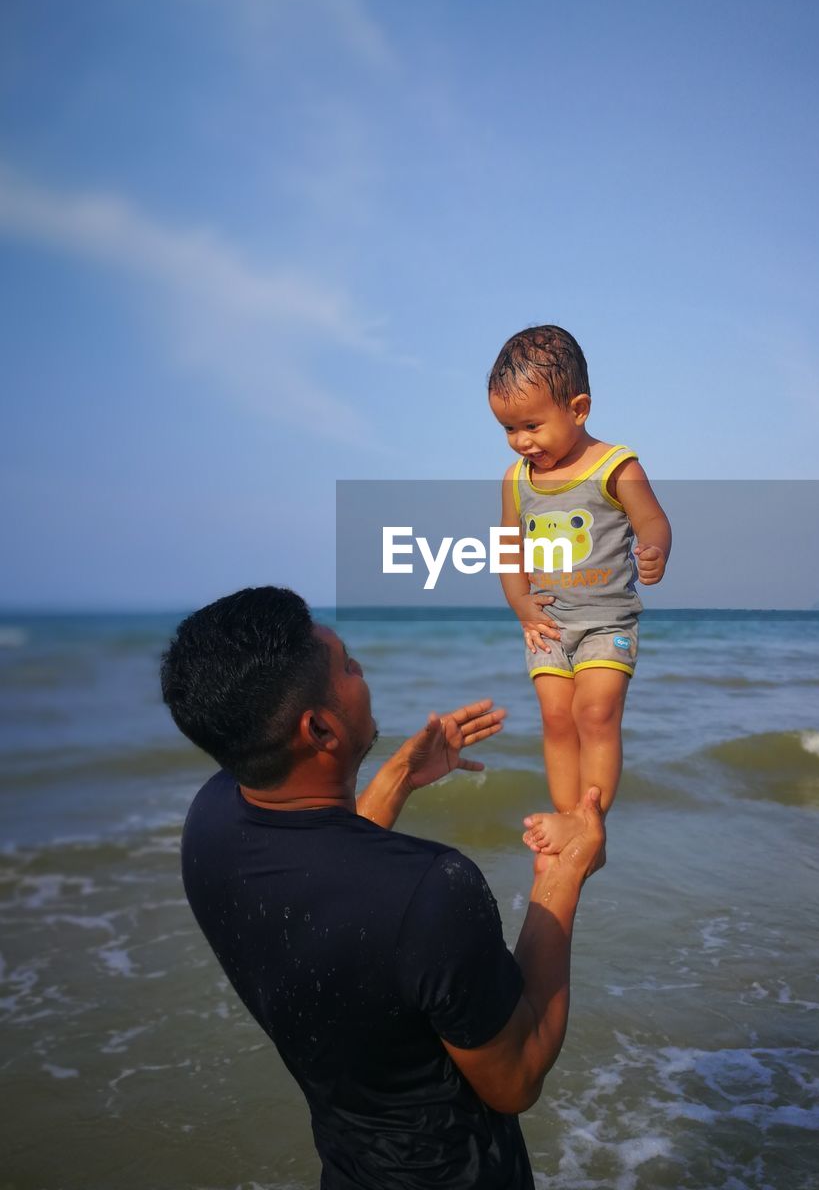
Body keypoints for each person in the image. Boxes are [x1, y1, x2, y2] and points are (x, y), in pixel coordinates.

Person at [161, 585, 604, 1190]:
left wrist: (397, 776)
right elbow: (517, 1076)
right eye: (348, 666)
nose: (360, 671)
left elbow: (334, 882)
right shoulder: (431, 892)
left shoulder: (209, 823)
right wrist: (566, 874)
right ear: (319, 728)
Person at [488, 325, 672, 854]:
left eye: (532, 425)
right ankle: (568, 817)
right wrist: (522, 607)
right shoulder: (516, 480)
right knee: (555, 717)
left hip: (607, 621)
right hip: (547, 624)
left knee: (594, 711)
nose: (522, 441)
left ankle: (590, 818)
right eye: (508, 428)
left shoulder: (615, 466)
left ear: (579, 408)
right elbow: (508, 550)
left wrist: (655, 550)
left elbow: (654, 520)